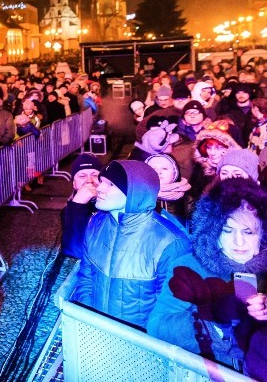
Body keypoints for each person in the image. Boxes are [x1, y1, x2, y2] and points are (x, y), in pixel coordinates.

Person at [148, 178, 267, 375]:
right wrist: (209, 316)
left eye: (248, 232)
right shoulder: (189, 267)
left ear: (262, 234)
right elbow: (158, 326)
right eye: (227, 230)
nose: (239, 241)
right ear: (213, 231)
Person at [72, 160, 191, 329]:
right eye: (102, 181)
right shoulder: (96, 223)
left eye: (111, 184)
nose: (99, 188)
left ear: (137, 192)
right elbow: (86, 277)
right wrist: (90, 321)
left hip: (140, 345)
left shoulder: (170, 242)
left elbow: (170, 310)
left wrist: (139, 342)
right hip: (98, 334)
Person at [60, 153, 102, 259]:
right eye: (82, 176)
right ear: (74, 184)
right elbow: (75, 249)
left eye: (95, 175)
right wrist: (78, 204)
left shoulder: (113, 205)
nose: (89, 180)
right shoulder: (69, 211)